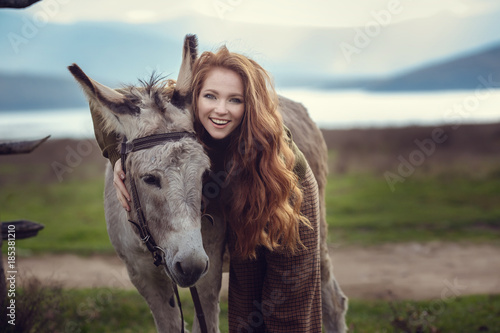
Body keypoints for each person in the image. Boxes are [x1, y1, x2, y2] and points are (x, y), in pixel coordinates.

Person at [92, 46, 322, 332]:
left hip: (283, 193)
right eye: (211, 96)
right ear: (194, 95)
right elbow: (100, 100)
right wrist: (116, 156)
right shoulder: (181, 112)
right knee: (245, 309)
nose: (220, 109)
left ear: (248, 105)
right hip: (238, 206)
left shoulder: (263, 143)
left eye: (235, 100)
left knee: (286, 308)